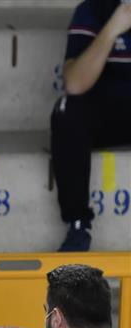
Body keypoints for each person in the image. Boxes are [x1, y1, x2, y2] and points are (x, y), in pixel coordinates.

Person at [50, 0, 131, 251]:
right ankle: (78, 226)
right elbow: (74, 84)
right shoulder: (93, 9)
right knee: (66, 110)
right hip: (104, 112)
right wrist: (113, 28)